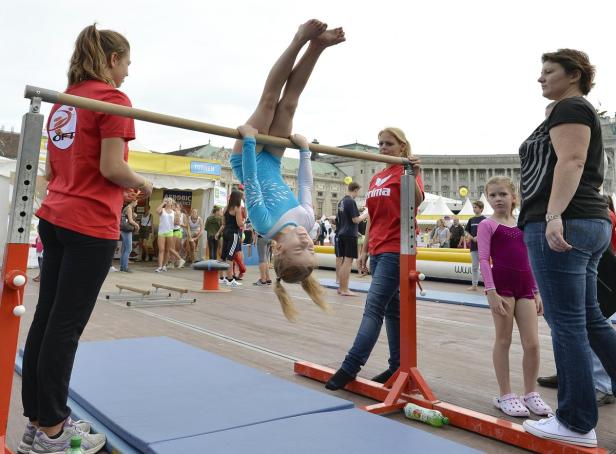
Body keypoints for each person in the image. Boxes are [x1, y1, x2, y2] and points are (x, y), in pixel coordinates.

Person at [18, 24, 153, 454]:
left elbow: (60, 172)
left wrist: (118, 184)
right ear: (112, 60)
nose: (129, 72)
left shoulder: (64, 103)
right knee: (65, 327)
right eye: (127, 62)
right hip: (88, 225)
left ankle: (39, 423)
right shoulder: (113, 99)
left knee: (47, 321)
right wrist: (143, 184)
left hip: (56, 217)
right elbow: (113, 167)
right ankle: (55, 431)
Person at [520, 49, 615, 448]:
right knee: (591, 319)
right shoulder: (578, 110)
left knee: (568, 324)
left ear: (574, 75)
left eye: (548, 71)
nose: (540, 79)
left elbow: (572, 161)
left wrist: (554, 215)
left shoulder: (571, 106)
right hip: (590, 222)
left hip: (566, 221)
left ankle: (576, 422)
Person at [232, 19, 344, 320]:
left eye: (300, 249)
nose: (309, 242)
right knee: (290, 105)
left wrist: (251, 139)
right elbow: (305, 187)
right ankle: (317, 47)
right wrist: (306, 151)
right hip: (275, 159)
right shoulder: (306, 222)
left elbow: (252, 181)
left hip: (248, 157)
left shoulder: (265, 224)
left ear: (279, 250)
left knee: (269, 102)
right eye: (311, 249)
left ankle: (299, 40)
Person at [325, 127, 424, 390]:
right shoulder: (377, 178)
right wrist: (364, 250)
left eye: (388, 144)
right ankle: (397, 366)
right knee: (392, 309)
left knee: (374, 306)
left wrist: (412, 174)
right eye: (379, 144)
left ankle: (350, 366)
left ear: (402, 146)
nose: (382, 148)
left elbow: (416, 202)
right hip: (378, 248)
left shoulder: (407, 173)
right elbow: (373, 219)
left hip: (397, 249)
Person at [477, 176, 552, 418]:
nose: (498, 199)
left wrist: (537, 290)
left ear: (513, 198)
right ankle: (506, 394)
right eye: (493, 195)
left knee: (532, 343)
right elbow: (484, 260)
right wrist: (490, 291)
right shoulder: (486, 225)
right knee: (504, 340)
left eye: (503, 194)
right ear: (488, 198)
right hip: (502, 288)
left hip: (525, 288)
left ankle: (530, 393)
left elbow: (531, 258)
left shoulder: (523, 224)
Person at [335, 182, 369, 296]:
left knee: (344, 261)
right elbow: (355, 220)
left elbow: (342, 220)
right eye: (357, 191)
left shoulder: (341, 202)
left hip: (342, 234)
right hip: (349, 235)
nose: (357, 194)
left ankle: (341, 288)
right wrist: (366, 215)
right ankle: (344, 289)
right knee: (348, 262)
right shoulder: (351, 201)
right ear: (355, 190)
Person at [215, 190, 244, 287]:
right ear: (238, 198)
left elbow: (223, 223)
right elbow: (239, 224)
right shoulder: (237, 208)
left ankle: (221, 278)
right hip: (233, 234)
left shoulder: (226, 208)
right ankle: (230, 279)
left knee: (223, 256)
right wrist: (246, 221)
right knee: (230, 257)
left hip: (225, 233)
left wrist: (218, 233)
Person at [155, 197, 182, 272]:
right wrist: (163, 203)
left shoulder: (174, 212)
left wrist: (178, 217)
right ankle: (160, 266)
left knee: (167, 250)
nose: (168, 202)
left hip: (170, 232)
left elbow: (177, 223)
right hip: (161, 232)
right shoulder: (162, 210)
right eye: (167, 201)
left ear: (172, 203)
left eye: (170, 201)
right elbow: (157, 211)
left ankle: (164, 265)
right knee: (161, 249)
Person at [464, 200, 486, 291]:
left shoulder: (484, 219)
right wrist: (470, 237)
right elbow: (466, 230)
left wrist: (478, 237)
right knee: (474, 267)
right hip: (473, 247)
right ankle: (474, 285)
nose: (474, 209)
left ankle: (488, 286)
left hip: (483, 247)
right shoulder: (471, 219)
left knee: (484, 267)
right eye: (473, 207)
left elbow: (486, 232)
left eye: (476, 207)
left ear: (481, 209)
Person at [119, 199, 139, 273]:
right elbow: (130, 221)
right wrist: (137, 225)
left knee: (124, 249)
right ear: (133, 201)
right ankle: (125, 267)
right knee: (128, 249)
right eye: (136, 202)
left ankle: (122, 267)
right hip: (127, 230)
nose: (137, 203)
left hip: (124, 229)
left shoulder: (127, 208)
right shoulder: (129, 208)